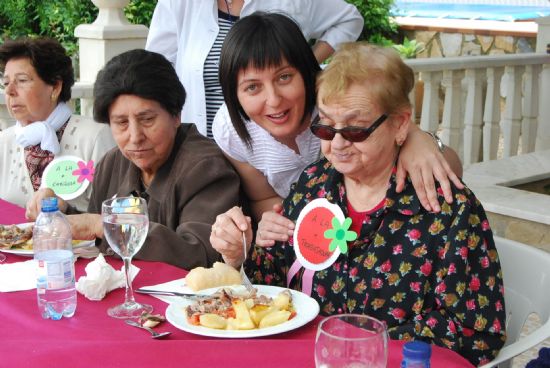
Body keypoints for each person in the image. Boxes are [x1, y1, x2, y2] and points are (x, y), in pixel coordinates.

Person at [212, 43, 506, 366]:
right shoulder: (314, 185)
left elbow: (476, 332)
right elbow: (272, 286)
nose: (337, 144)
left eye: (355, 129)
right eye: (325, 126)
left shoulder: (446, 208)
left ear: (400, 124)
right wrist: (240, 253)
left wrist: (358, 344)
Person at [210, 12, 464, 257]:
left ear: (308, 73)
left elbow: (445, 167)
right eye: (252, 87)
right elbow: (264, 197)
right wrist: (279, 222)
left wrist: (418, 139)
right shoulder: (230, 129)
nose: (274, 100)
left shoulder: (334, 100)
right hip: (311, 240)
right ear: (234, 95)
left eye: (284, 77)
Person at [27, 49, 241, 270]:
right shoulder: (112, 163)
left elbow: (202, 255)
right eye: (121, 123)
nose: (135, 137)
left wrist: (106, 225)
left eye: (147, 119)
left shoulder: (206, 168)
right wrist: (61, 214)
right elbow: (97, 240)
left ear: (176, 115)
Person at [145, 0, 364, 138]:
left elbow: (349, 19)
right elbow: (156, 69)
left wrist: (305, 63)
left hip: (274, 147)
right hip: (203, 147)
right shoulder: (179, 4)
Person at [0, 37, 115, 210]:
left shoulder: (94, 137)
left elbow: (115, 215)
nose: (10, 91)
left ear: (55, 87)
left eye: (22, 80)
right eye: (6, 83)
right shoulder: (4, 142)